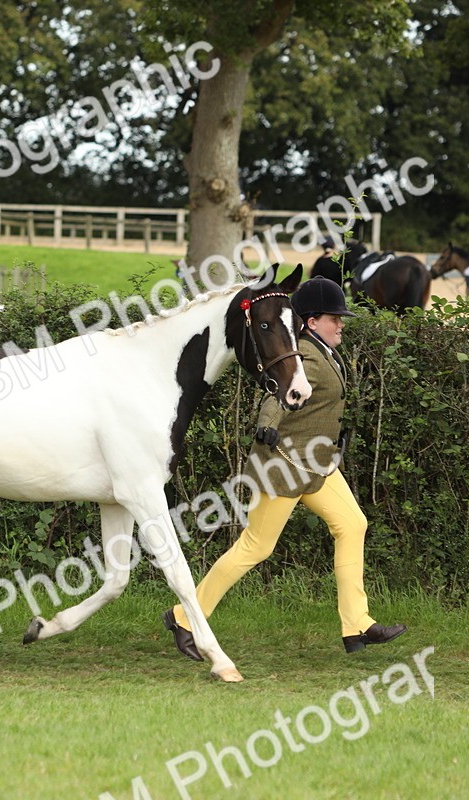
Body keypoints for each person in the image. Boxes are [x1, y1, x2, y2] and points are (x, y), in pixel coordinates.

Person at [162, 276, 406, 660]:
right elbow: (275, 397)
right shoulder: (305, 354)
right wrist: (268, 425)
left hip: (318, 466)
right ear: (312, 322)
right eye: (334, 318)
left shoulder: (324, 351)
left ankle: (357, 623)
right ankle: (184, 617)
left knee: (353, 524)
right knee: (255, 547)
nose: (341, 324)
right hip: (285, 467)